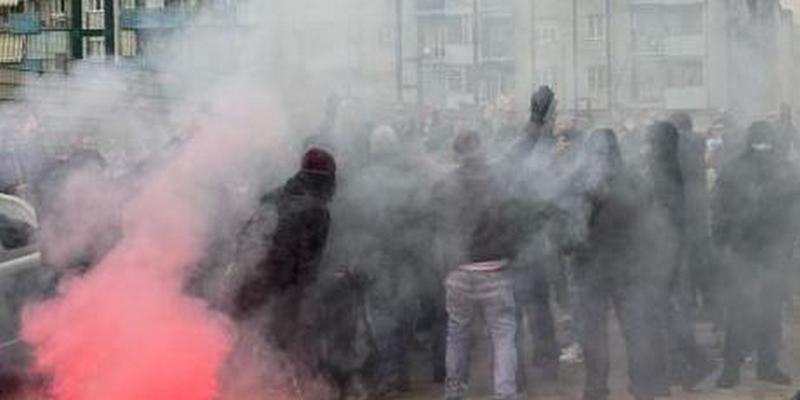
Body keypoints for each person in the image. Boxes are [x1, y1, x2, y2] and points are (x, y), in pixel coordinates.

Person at [432, 131, 524, 400]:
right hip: (495, 268)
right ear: (481, 149)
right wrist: (512, 254)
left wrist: (446, 265)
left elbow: (435, 225)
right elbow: (514, 219)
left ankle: (454, 394)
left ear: (455, 153)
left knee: (457, 334)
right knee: (503, 336)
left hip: (459, 270)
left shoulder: (445, 184)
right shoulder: (499, 180)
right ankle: (505, 394)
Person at [233, 147, 337, 385]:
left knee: (245, 348)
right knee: (280, 354)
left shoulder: (271, 197)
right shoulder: (317, 212)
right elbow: (308, 266)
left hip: (249, 283)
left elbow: (245, 240)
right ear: (328, 178)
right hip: (281, 292)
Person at [574, 129, 659, 400]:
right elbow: (648, 221)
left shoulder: (583, 183)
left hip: (594, 268)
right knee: (635, 330)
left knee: (594, 332)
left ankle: (596, 390)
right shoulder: (634, 178)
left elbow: (572, 230)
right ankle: (643, 389)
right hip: (627, 265)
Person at [713, 121, 799, 388]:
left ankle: (758, 367)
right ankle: (738, 368)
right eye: (759, 142)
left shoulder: (785, 170)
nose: (762, 148)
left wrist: (787, 246)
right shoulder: (741, 169)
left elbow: (793, 212)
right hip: (746, 252)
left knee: (765, 314)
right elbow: (720, 209)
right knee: (744, 313)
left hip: (767, 252)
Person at [643, 122, 711, 392]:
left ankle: (692, 363)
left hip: (665, 251)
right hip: (675, 248)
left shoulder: (663, 170)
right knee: (670, 311)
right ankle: (681, 368)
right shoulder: (679, 164)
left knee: (666, 312)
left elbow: (662, 212)